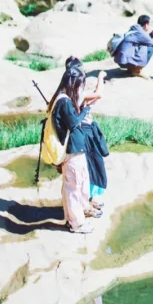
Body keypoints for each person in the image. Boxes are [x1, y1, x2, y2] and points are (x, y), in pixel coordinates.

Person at [49, 59, 104, 233]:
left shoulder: (64, 99)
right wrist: (85, 111)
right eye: (80, 85)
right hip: (71, 151)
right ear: (74, 85)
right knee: (73, 187)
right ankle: (76, 223)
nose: (81, 89)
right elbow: (73, 124)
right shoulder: (64, 101)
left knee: (80, 182)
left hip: (76, 150)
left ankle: (81, 210)